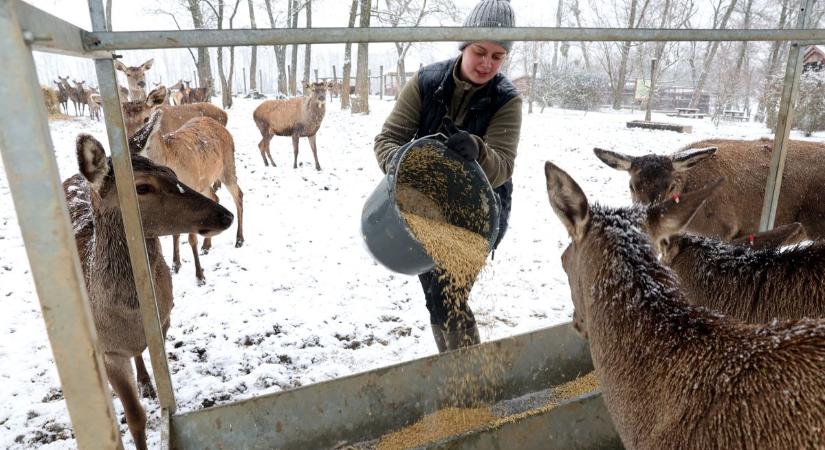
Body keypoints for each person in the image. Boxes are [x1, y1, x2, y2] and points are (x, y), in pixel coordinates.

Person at [373, 0, 522, 352]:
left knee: (447, 297)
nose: (487, 63)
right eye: (479, 51)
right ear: (464, 45)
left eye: (498, 56)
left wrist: (479, 150)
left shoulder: (506, 100)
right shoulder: (427, 83)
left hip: (478, 214)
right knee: (436, 298)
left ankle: (466, 374)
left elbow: (503, 166)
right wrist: (406, 166)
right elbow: (387, 139)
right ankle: (460, 371)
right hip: (424, 209)